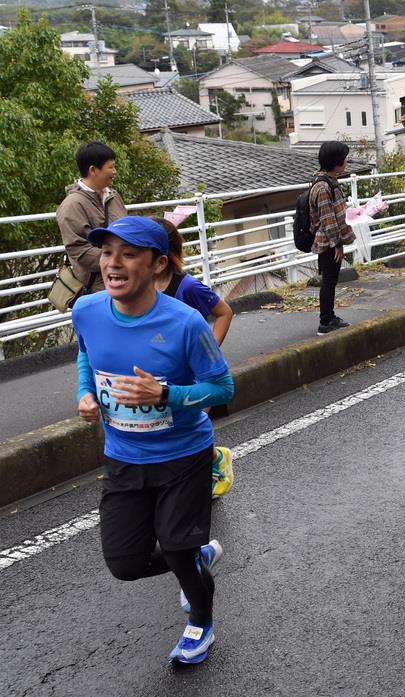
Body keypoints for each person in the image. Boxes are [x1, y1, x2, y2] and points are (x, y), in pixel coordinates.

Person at [72, 216, 234, 664]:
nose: (114, 264)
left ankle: (201, 621)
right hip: (123, 457)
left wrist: (166, 394)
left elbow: (222, 388)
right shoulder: (86, 310)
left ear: (158, 263)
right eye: (107, 253)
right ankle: (197, 555)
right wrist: (85, 393)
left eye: (128, 253)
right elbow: (87, 355)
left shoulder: (185, 323)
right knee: (124, 563)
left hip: (183, 456)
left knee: (178, 549)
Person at [153, 217, 235, 498]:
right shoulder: (140, 289)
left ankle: (214, 462)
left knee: (187, 429)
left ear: (161, 255)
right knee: (174, 430)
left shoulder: (187, 286)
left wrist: (209, 353)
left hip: (194, 378)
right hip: (163, 375)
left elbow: (224, 312)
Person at [56, 142, 128, 299]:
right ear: (93, 170)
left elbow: (126, 227)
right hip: (98, 287)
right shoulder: (72, 205)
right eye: (111, 167)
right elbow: (78, 250)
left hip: (124, 278)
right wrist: (119, 260)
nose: (114, 172)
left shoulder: (113, 196)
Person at [309, 141, 356, 336]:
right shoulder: (323, 187)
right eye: (344, 158)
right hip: (327, 242)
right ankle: (326, 321)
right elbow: (328, 219)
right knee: (329, 281)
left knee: (331, 280)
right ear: (336, 161)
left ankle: (329, 318)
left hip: (329, 241)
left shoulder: (328, 181)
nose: (346, 161)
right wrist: (337, 244)